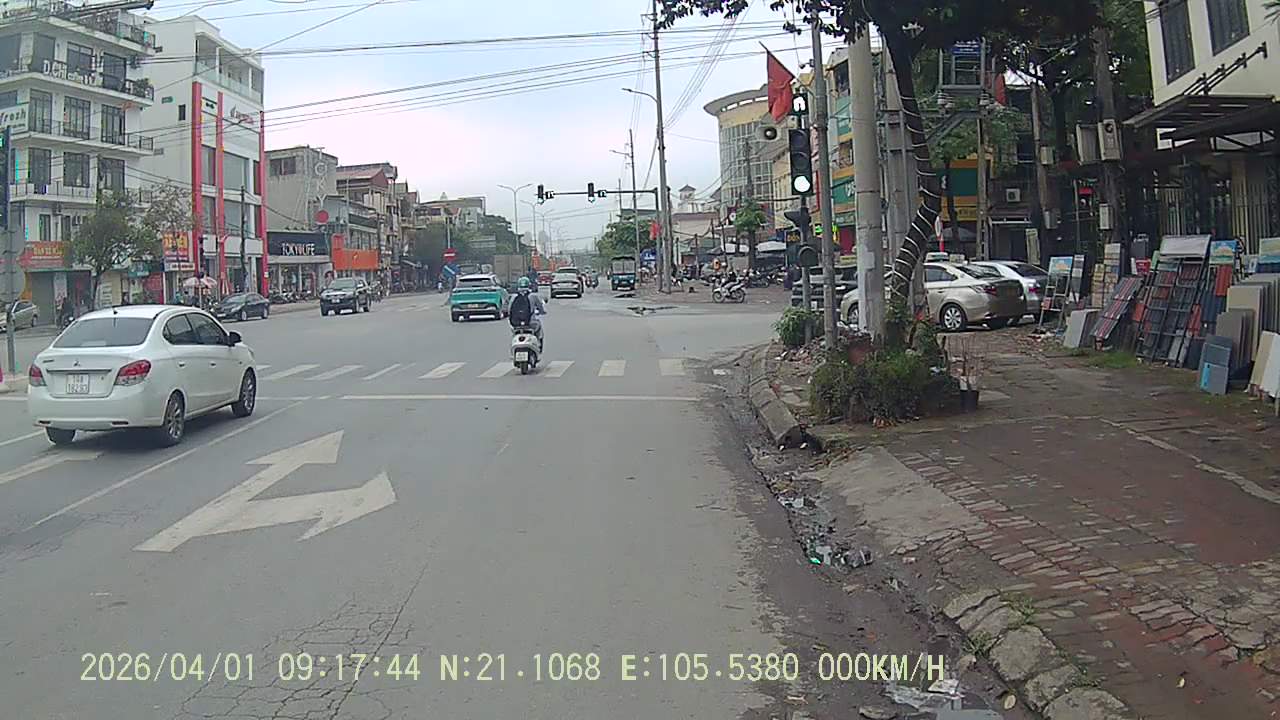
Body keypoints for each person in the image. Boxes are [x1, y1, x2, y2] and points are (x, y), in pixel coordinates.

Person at [509, 276, 547, 348]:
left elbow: (509, 310)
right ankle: (539, 344)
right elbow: (540, 308)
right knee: (539, 328)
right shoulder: (533, 296)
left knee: (514, 332)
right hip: (530, 323)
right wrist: (542, 312)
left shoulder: (514, 297)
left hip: (515, 324)